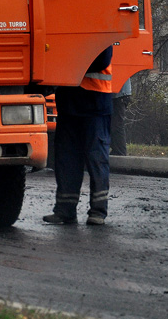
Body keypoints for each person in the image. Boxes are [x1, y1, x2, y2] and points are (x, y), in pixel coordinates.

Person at [44, 46, 114, 226]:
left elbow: (101, 61)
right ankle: (65, 210)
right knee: (66, 159)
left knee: (96, 158)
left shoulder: (100, 29)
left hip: (94, 103)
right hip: (71, 103)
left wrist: (68, 59)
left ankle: (98, 211)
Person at [110, 77, 132, 156]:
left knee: (116, 125)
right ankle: (118, 152)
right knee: (115, 124)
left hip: (118, 93)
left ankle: (119, 153)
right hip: (120, 94)